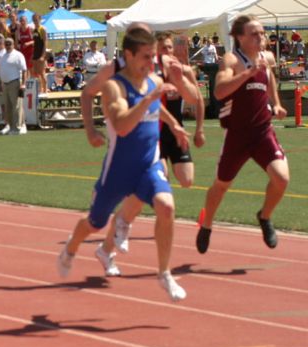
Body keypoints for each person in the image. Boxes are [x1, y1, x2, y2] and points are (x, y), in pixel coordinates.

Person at [57, 27, 189, 302]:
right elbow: (122, 125)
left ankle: (164, 273)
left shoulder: (152, 80)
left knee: (166, 206)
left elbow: (156, 107)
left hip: (147, 165)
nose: (151, 63)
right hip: (118, 170)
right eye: (145, 57)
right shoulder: (113, 86)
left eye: (153, 57)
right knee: (95, 223)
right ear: (127, 55)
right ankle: (72, 245)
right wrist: (150, 99)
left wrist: (173, 124)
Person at [98, 31, 204, 267]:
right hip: (150, 135)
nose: (166, 52)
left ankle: (121, 225)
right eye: (162, 48)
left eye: (169, 47)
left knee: (186, 180)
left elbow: (196, 98)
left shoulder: (175, 67)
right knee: (158, 184)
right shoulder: (143, 70)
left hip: (173, 131)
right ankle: (122, 227)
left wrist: (182, 78)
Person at [196, 15, 289, 254]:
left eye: (262, 33)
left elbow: (270, 80)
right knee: (221, 185)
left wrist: (275, 103)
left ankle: (265, 216)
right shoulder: (231, 59)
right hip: (237, 134)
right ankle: (206, 225)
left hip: (262, 132)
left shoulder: (266, 58)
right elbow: (219, 92)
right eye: (254, 34)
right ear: (239, 37)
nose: (261, 37)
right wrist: (247, 74)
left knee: (282, 178)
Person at [0, 38, 28, 135]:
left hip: (14, 82)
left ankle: (18, 127)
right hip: (5, 84)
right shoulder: (3, 56)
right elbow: (2, 71)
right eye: (6, 44)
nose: (8, 45)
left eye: (9, 44)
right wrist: (2, 84)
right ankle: (11, 126)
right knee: (8, 107)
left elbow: (24, 70)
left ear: (13, 44)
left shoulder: (18, 55)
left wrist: (23, 84)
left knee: (17, 106)